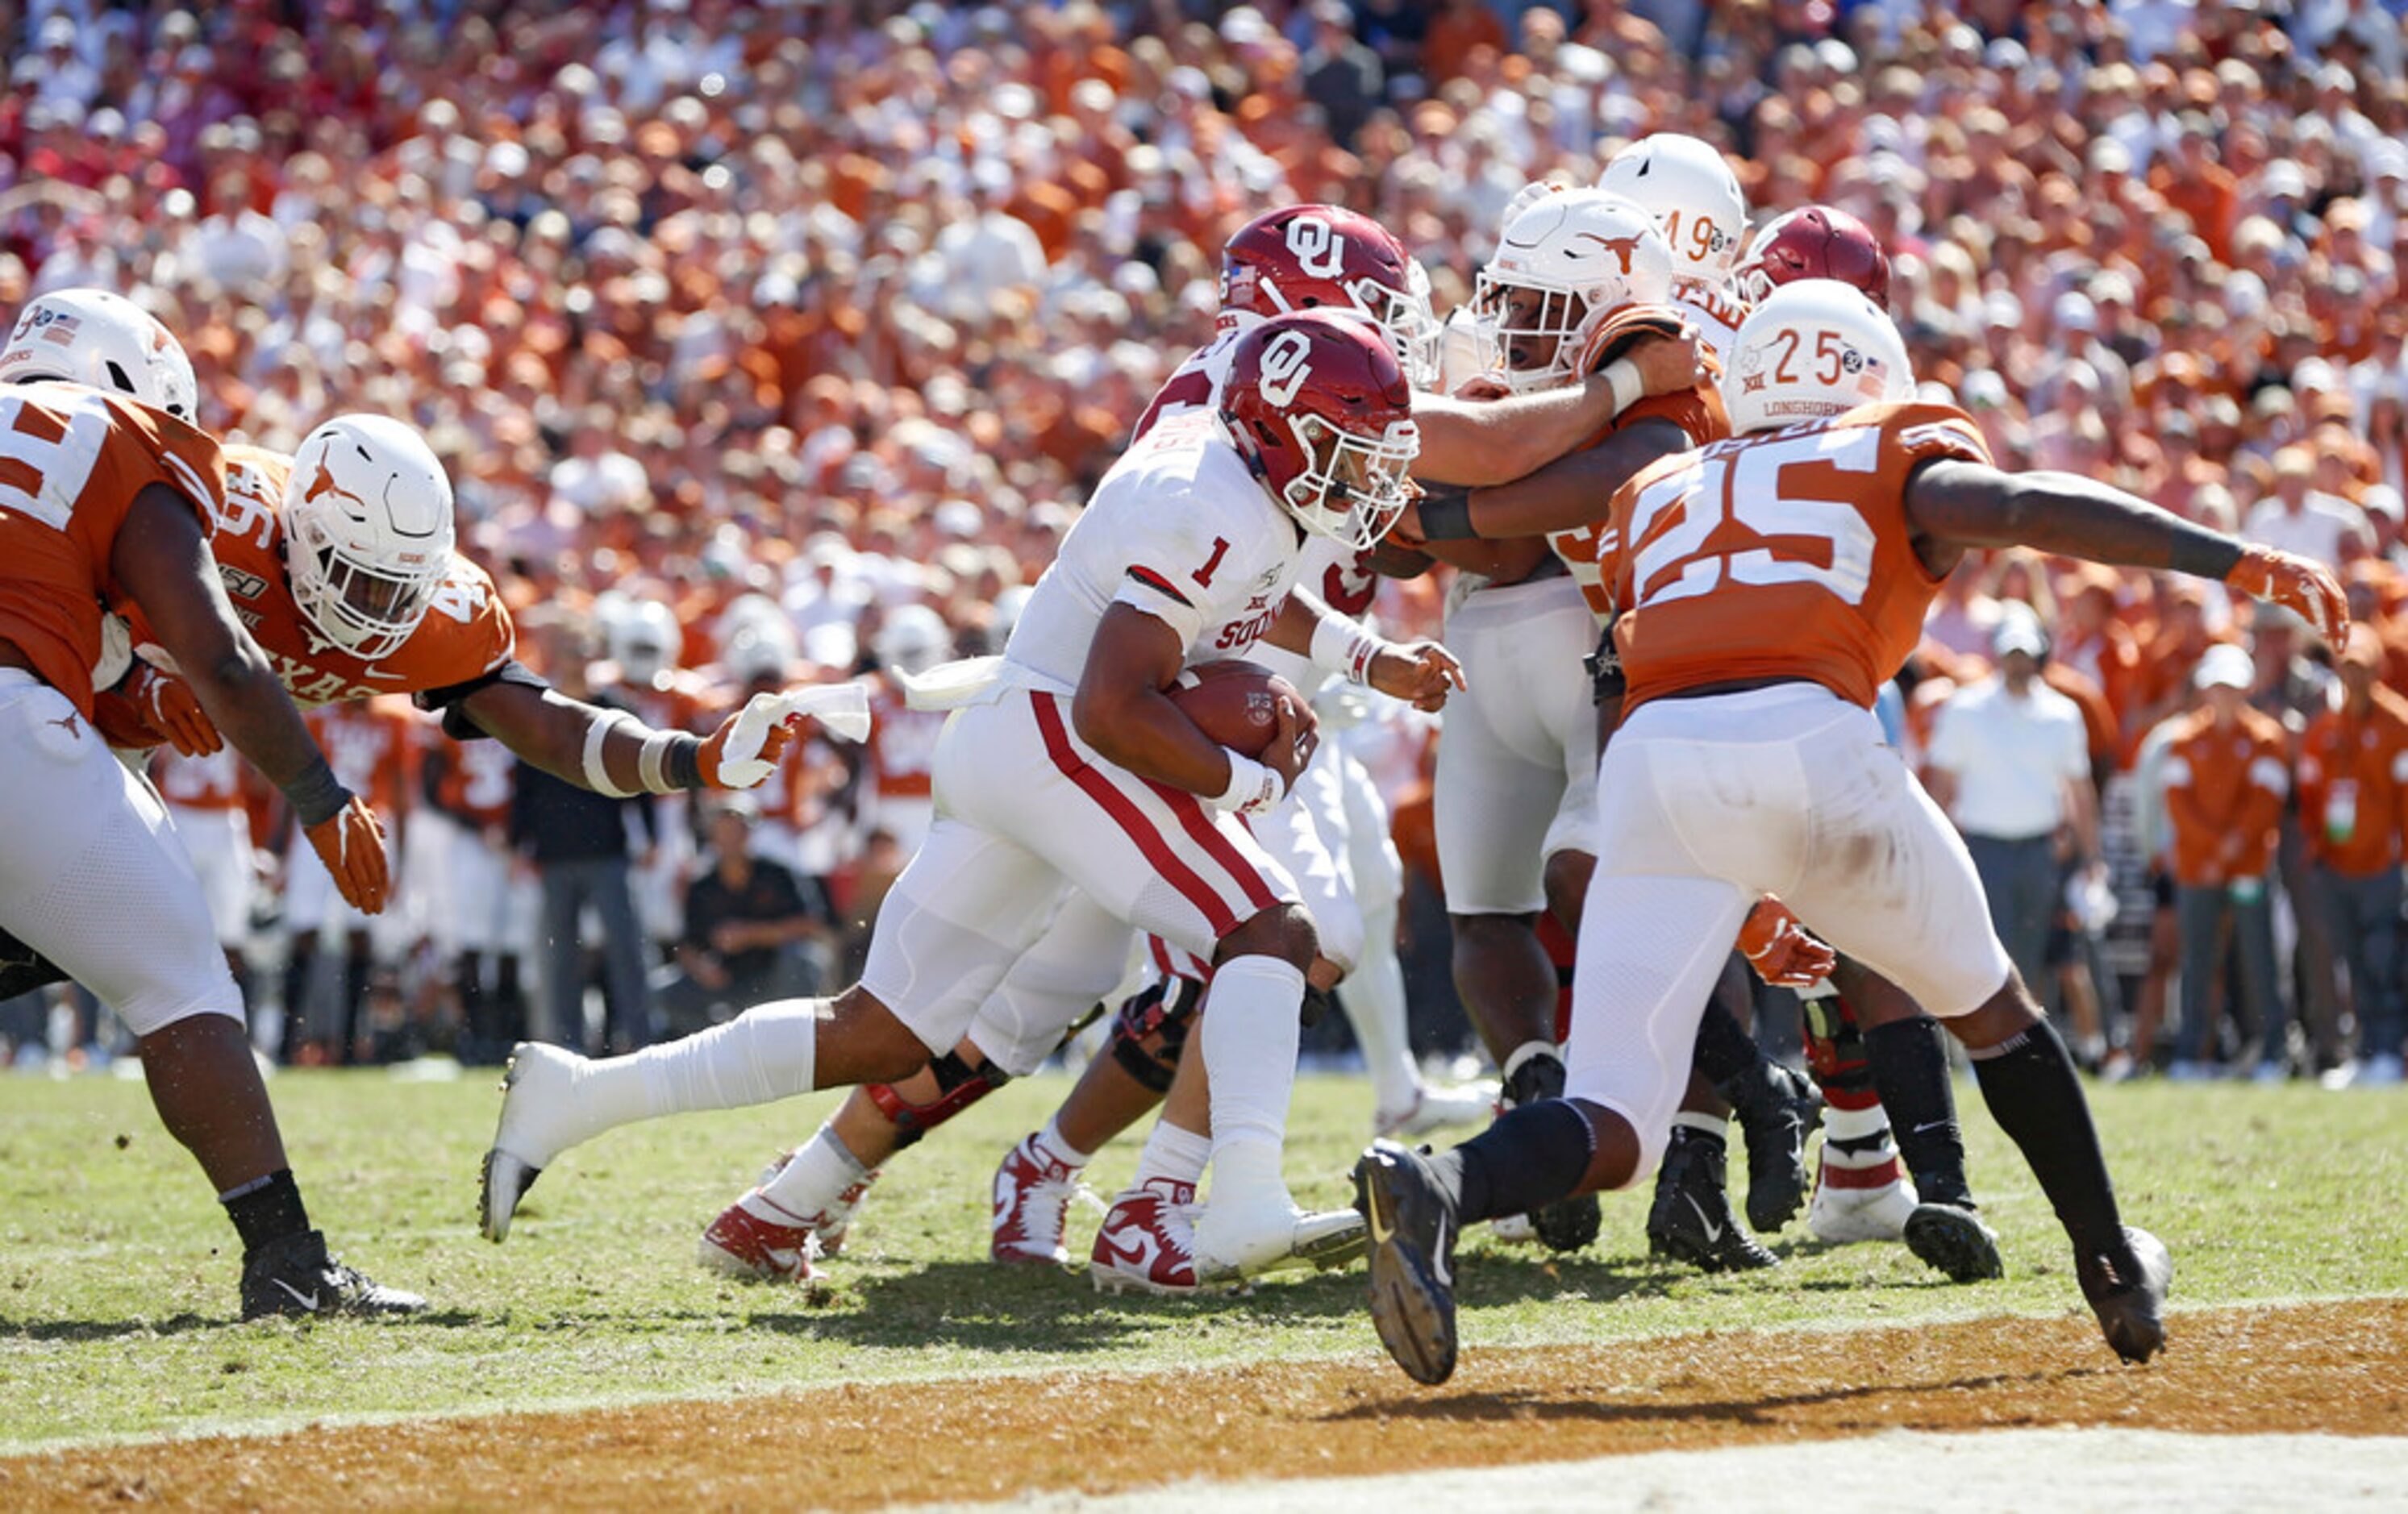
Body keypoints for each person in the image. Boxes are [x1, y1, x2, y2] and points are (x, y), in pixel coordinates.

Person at [1351, 279, 2347, 1385]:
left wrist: (1754, 890)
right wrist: (2231, 559)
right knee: (1996, 1010)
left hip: (1652, 756)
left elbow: (1680, 693)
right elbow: (2017, 510)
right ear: (1868, 369)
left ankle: (1439, 1185)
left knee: (1612, 1119)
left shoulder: (1661, 486)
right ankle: (2111, 1264)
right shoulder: (1884, 448)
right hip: (1808, 731)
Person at [482, 312, 1466, 1289]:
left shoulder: (1229, 472)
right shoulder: (1203, 496)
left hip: (1014, 737)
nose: (1366, 476)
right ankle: (1227, 1203)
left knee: (880, 1029)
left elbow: (1242, 592)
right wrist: (1247, 781)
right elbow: (1115, 705)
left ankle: (580, 1097)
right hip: (1061, 737)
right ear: (1276, 424)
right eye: (1349, 447)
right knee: (1270, 932)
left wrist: (1365, 658)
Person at [0, 287, 414, 1317]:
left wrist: (128, 695)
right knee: (182, 984)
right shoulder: (123, 434)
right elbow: (221, 655)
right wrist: (319, 799)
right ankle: (287, 1260)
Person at [1925, 609, 2098, 996]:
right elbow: (1942, 786)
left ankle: (2022, 1045)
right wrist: (1938, 853)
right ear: (1998, 656)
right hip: (1984, 849)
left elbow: (2079, 791)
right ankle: (1985, 1050)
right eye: (2012, 654)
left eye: (2025, 654)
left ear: (2038, 656)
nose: (2018, 663)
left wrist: (2091, 858)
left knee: (2031, 953)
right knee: (1988, 951)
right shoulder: (1965, 708)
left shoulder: (2062, 713)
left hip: (2040, 850)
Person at [2161, 643, 2291, 1080]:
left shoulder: (2267, 737)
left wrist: (2228, 848)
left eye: (2232, 687)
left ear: (2246, 689)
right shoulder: (2184, 738)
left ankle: (2274, 1052)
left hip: (2248, 866)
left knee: (2260, 960)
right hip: (2199, 869)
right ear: (2204, 690)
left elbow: (2266, 802)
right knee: (2197, 961)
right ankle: (2191, 1053)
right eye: (2218, 686)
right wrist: (2217, 850)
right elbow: (2177, 804)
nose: (2225, 695)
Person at [2296, 626, 2408, 1088]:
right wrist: (2317, 846)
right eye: (2346, 667)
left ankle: (2388, 1050)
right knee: (2353, 962)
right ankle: (2365, 1052)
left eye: (2361, 667)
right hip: (2338, 866)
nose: (2353, 677)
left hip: (2383, 865)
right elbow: (2310, 791)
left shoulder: (2398, 724)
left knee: (2385, 958)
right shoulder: (2326, 727)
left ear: (2377, 668)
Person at [657, 794, 835, 1034]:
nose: (729, 838)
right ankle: (715, 1052)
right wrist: (701, 969)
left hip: (773, 978)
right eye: (723, 830)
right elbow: (687, 945)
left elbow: (813, 924)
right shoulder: (702, 885)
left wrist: (752, 935)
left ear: (749, 834)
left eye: (736, 830)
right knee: (663, 989)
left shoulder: (777, 874)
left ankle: (795, 1038)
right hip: (726, 980)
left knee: (806, 959)